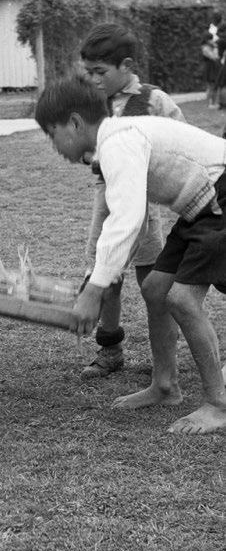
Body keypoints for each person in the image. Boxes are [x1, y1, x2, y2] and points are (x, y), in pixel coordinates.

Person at [35, 73, 226, 434]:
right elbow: (129, 223)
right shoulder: (116, 141)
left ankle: (218, 404)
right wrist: (102, 277)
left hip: (220, 197)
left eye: (52, 133)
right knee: (156, 288)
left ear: (75, 123)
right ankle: (165, 385)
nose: (53, 144)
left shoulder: (119, 142)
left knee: (182, 300)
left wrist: (95, 290)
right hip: (198, 207)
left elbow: (126, 218)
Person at [78, 23, 184, 380]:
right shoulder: (94, 102)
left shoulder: (154, 100)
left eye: (100, 72)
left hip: (144, 204)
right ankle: (110, 350)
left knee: (151, 279)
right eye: (88, 72)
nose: (93, 80)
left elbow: (179, 140)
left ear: (126, 65)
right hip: (105, 198)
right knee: (104, 275)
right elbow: (85, 142)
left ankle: (163, 360)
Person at [201, 32, 221, 109]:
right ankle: (210, 103)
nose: (211, 40)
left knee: (213, 86)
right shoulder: (205, 48)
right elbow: (214, 57)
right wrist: (215, 47)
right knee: (210, 86)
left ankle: (213, 102)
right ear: (206, 40)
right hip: (209, 68)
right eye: (210, 39)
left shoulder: (209, 47)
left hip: (213, 67)